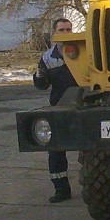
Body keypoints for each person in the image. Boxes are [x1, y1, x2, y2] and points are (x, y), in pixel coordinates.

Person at [33, 16, 76, 203]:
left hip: (86, 105)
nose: (66, 33)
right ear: (55, 33)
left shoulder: (84, 51)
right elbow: (42, 86)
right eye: (62, 30)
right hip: (60, 107)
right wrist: (39, 76)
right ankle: (61, 189)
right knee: (56, 149)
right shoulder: (48, 57)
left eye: (69, 29)